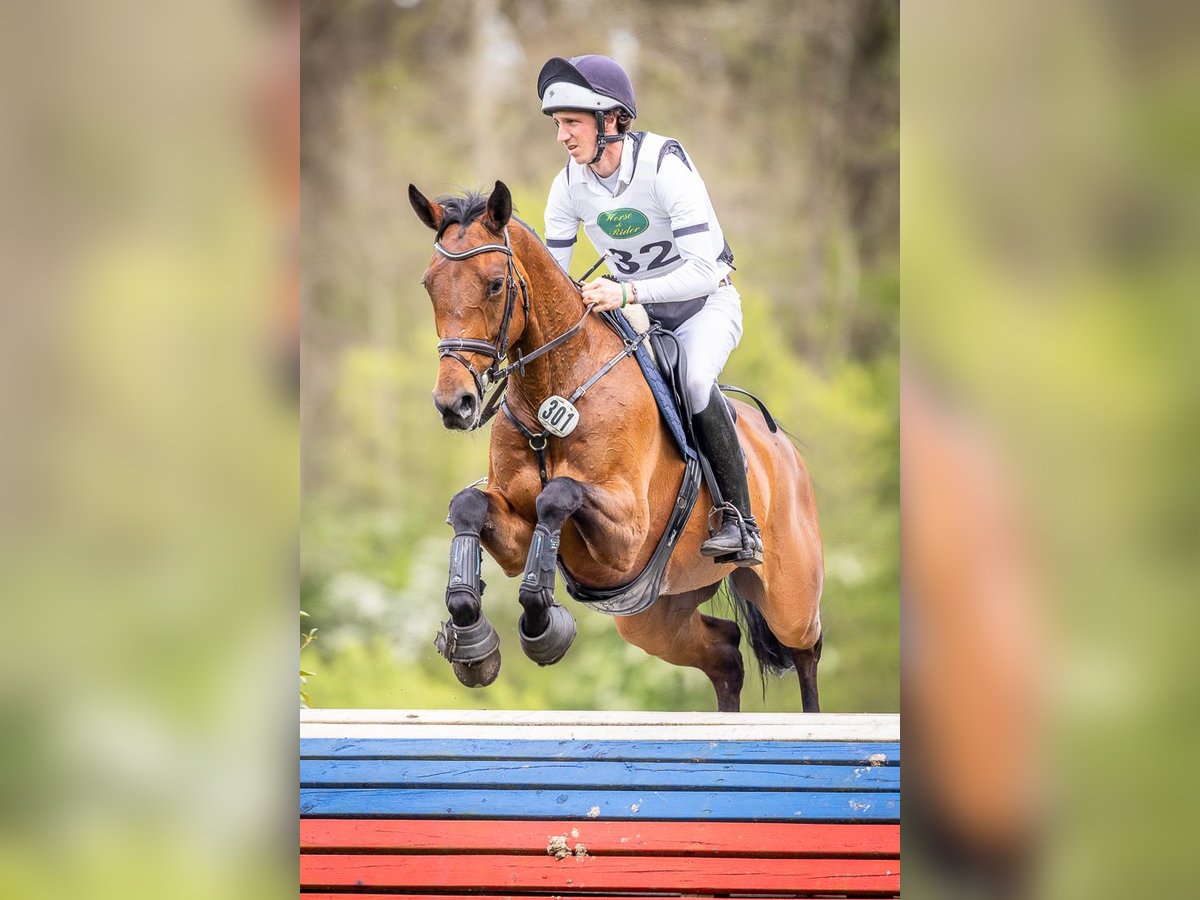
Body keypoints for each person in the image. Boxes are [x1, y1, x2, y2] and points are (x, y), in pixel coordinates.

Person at [536, 54, 762, 565]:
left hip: (704, 306)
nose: (562, 137)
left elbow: (704, 270)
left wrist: (627, 292)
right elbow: (553, 283)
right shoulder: (568, 186)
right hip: (638, 315)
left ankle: (739, 519)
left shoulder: (664, 164)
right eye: (557, 124)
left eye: (571, 122)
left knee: (697, 383)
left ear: (610, 119)